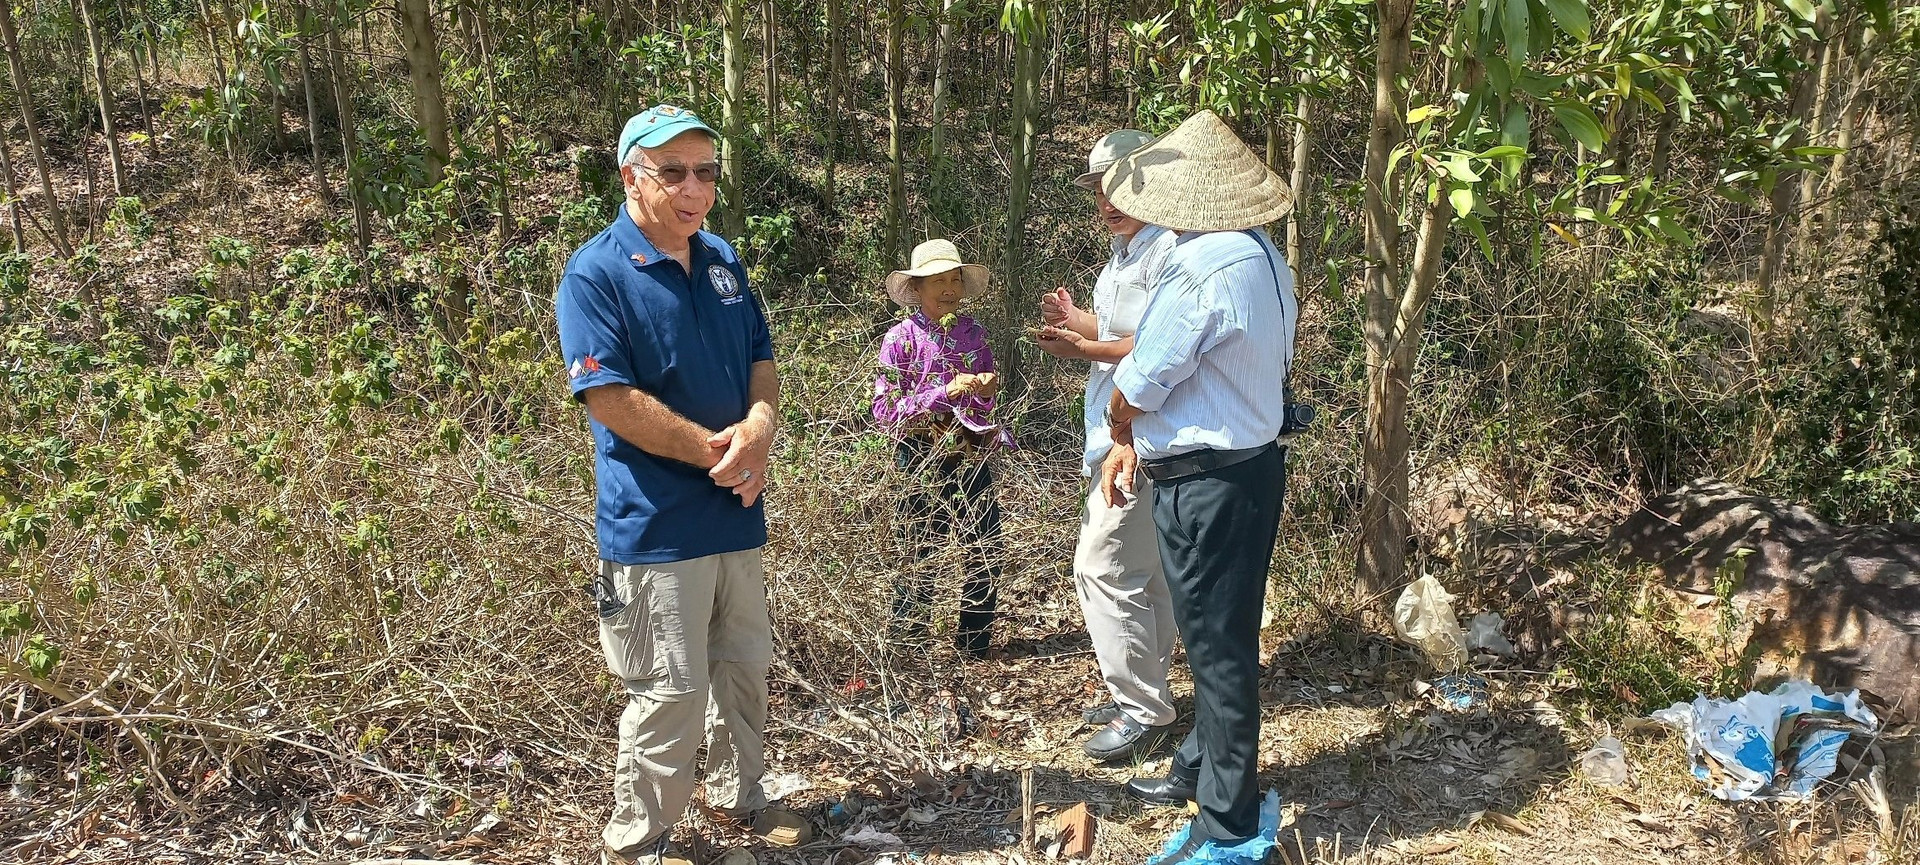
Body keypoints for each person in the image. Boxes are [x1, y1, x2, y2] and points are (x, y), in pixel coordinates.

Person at [555, 104, 811, 865]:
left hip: (735, 513)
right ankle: (639, 841)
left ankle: (743, 798)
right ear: (631, 178)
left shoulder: (723, 258)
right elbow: (609, 397)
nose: (694, 187)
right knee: (668, 694)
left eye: (705, 171)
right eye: (674, 172)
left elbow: (761, 356)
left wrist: (760, 428)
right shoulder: (595, 273)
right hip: (656, 525)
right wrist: (715, 452)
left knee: (743, 669)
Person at [1094, 110, 1297, 862]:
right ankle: (1202, 765)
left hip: (1209, 482)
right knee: (1222, 632)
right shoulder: (1263, 256)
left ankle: (1228, 818)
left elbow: (1143, 378)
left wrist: (1121, 424)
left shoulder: (1201, 266)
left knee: (1218, 646)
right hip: (1245, 468)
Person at [1034, 129, 1182, 763]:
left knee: (1102, 565)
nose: (1107, 200)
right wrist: (1077, 322)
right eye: (1099, 189)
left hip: (1141, 431)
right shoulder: (1125, 253)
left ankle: (1143, 708)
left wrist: (1084, 350)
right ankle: (1149, 695)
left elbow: (1160, 345)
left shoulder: (1169, 252)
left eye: (1119, 186)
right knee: (1145, 574)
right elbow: (1123, 330)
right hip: (1113, 428)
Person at [872, 239, 1014, 660]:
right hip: (919, 453)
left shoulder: (973, 335)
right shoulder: (899, 339)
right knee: (920, 551)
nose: (949, 288)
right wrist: (941, 393)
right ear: (918, 288)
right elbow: (885, 410)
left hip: (970, 450)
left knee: (984, 547)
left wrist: (985, 392)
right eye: (939, 281)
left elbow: (984, 401)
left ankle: (975, 644)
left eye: (955, 279)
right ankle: (909, 646)